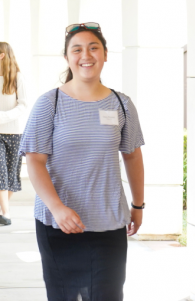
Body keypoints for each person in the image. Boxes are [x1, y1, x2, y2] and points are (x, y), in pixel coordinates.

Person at [19, 23, 145, 300]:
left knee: (108, 295)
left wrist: (138, 204)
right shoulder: (48, 103)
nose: (85, 55)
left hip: (108, 221)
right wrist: (58, 209)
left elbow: (132, 155)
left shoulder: (121, 104)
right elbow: (35, 161)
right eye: (77, 49)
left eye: (93, 47)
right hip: (58, 224)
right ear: (67, 57)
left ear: (105, 54)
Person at [0, 42, 27, 226]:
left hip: (14, 132)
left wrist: (4, 116)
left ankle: (2, 208)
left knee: (12, 174)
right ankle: (6, 212)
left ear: (1, 55)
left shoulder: (17, 77)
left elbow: (23, 105)